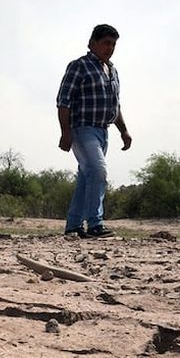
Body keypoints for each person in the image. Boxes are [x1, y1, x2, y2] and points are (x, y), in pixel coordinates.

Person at [56, 23, 132, 239]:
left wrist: (124, 131)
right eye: (106, 43)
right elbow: (64, 101)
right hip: (82, 128)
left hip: (103, 131)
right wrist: (65, 131)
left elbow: (115, 106)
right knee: (98, 171)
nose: (110, 48)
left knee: (87, 177)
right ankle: (95, 223)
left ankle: (73, 226)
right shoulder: (79, 66)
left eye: (113, 44)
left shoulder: (112, 71)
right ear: (92, 43)